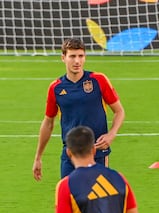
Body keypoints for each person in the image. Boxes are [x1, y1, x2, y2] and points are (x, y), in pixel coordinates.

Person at [33, 37, 125, 181]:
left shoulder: (98, 80)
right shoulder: (56, 88)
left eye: (80, 56)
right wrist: (38, 157)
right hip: (70, 153)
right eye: (72, 56)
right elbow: (48, 123)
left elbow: (119, 111)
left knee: (96, 201)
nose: (77, 61)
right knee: (68, 199)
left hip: (97, 152)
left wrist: (112, 134)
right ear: (63, 58)